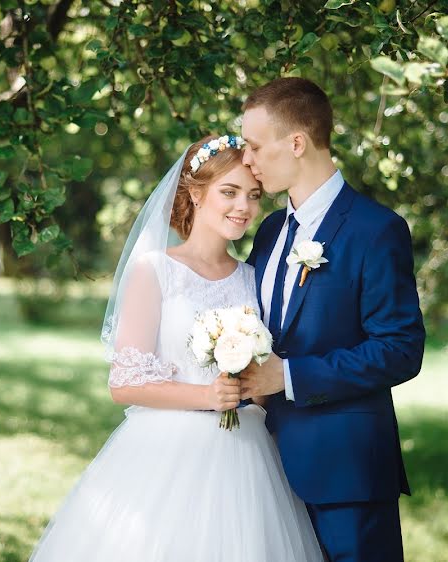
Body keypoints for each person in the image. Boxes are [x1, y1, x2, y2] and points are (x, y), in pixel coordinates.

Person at [28, 135, 322, 562]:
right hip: (166, 456)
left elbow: (262, 381)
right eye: (229, 192)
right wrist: (207, 396)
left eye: (253, 195)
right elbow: (124, 383)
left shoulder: (252, 278)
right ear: (197, 193)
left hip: (248, 457)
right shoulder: (156, 271)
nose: (243, 207)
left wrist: (255, 384)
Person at [239, 77, 426, 561]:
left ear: (296, 143)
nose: (247, 160)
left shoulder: (376, 230)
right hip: (263, 468)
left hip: (346, 474)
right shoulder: (270, 231)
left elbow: (400, 349)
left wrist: (289, 376)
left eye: (255, 146)